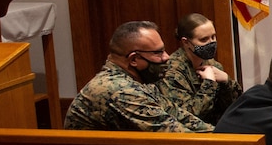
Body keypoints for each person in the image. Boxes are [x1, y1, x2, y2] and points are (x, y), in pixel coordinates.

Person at [64, 20, 214, 132]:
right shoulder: (119, 90)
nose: (167, 57)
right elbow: (174, 134)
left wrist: (221, 134)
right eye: (158, 52)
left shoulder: (139, 81)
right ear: (134, 59)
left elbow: (179, 115)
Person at [158, 13, 242, 125]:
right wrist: (209, 83)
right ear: (186, 42)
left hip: (220, 129)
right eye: (204, 39)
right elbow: (188, 116)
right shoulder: (172, 72)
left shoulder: (213, 65)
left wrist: (227, 81)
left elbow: (234, 107)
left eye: (213, 37)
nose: (211, 43)